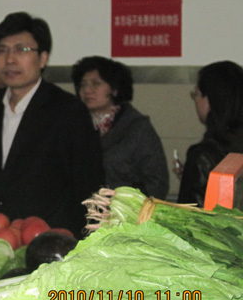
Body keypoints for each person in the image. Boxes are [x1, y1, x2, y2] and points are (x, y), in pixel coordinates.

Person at [0, 12, 104, 238]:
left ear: (43, 58)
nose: (10, 59)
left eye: (21, 50)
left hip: (51, 237)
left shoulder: (68, 111)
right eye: (2, 51)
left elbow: (89, 186)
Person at [71, 56, 169, 199]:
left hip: (124, 210)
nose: (87, 90)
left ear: (115, 90)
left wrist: (120, 200)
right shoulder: (72, 124)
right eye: (82, 85)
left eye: (96, 83)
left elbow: (157, 183)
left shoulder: (137, 127)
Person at [177, 61, 243, 207]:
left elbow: (190, 214)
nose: (195, 101)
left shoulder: (202, 156)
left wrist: (193, 175)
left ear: (211, 100)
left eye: (196, 94)